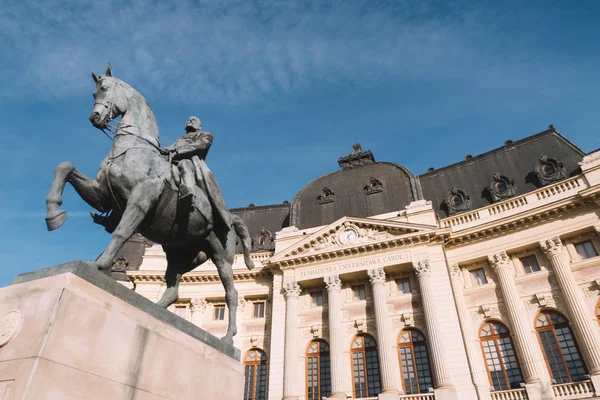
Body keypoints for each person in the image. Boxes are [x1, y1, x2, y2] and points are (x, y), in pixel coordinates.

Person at [164, 117, 229, 230]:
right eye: (189, 119)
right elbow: (171, 148)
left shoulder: (206, 135)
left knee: (184, 164)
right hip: (173, 164)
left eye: (194, 120)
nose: (190, 120)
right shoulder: (180, 139)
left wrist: (177, 151)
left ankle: (189, 194)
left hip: (192, 164)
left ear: (200, 126)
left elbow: (199, 145)